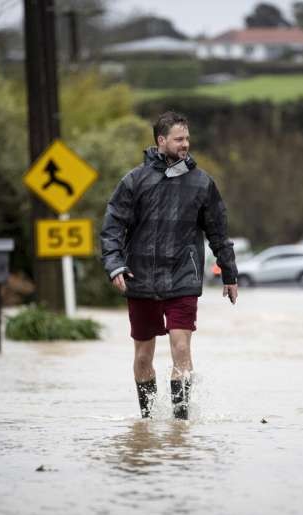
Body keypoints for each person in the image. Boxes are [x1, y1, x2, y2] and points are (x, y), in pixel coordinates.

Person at [100, 111, 238, 420]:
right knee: (143, 355)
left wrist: (229, 273)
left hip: (183, 276)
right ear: (161, 141)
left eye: (187, 138)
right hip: (141, 277)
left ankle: (180, 421)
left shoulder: (202, 183)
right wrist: (115, 265)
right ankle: (147, 420)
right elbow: (111, 228)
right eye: (179, 139)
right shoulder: (134, 181)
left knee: (181, 348)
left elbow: (218, 232)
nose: (185, 144)